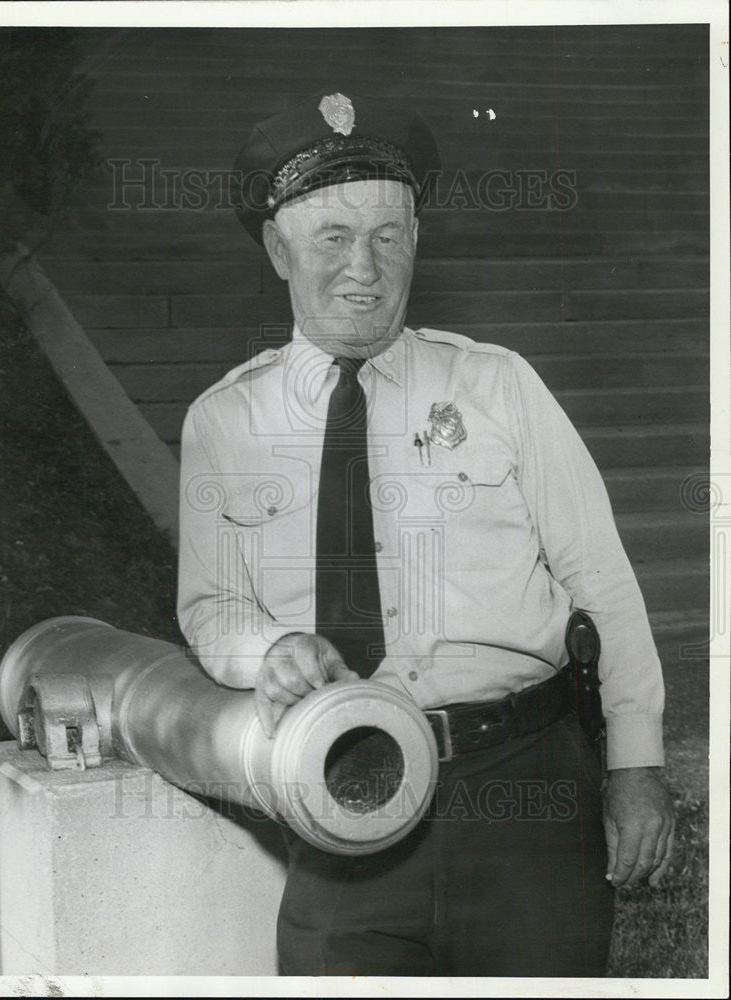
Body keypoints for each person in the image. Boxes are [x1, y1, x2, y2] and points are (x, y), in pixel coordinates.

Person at [177, 92, 674, 976]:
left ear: (417, 242)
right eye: (332, 236)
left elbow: (602, 579)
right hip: (341, 788)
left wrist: (634, 765)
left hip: (525, 788)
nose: (364, 266)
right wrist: (270, 649)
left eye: (389, 235)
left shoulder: (499, 386)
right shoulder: (227, 421)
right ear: (277, 249)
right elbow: (213, 607)